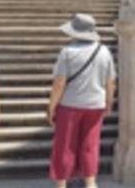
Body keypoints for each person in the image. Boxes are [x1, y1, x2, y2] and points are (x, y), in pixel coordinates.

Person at [48, 14, 115, 188]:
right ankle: (90, 182)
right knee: (90, 145)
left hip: (70, 104)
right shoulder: (104, 51)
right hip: (95, 104)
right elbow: (110, 82)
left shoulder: (67, 52)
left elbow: (59, 83)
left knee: (64, 145)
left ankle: (61, 184)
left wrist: (51, 106)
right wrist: (108, 102)